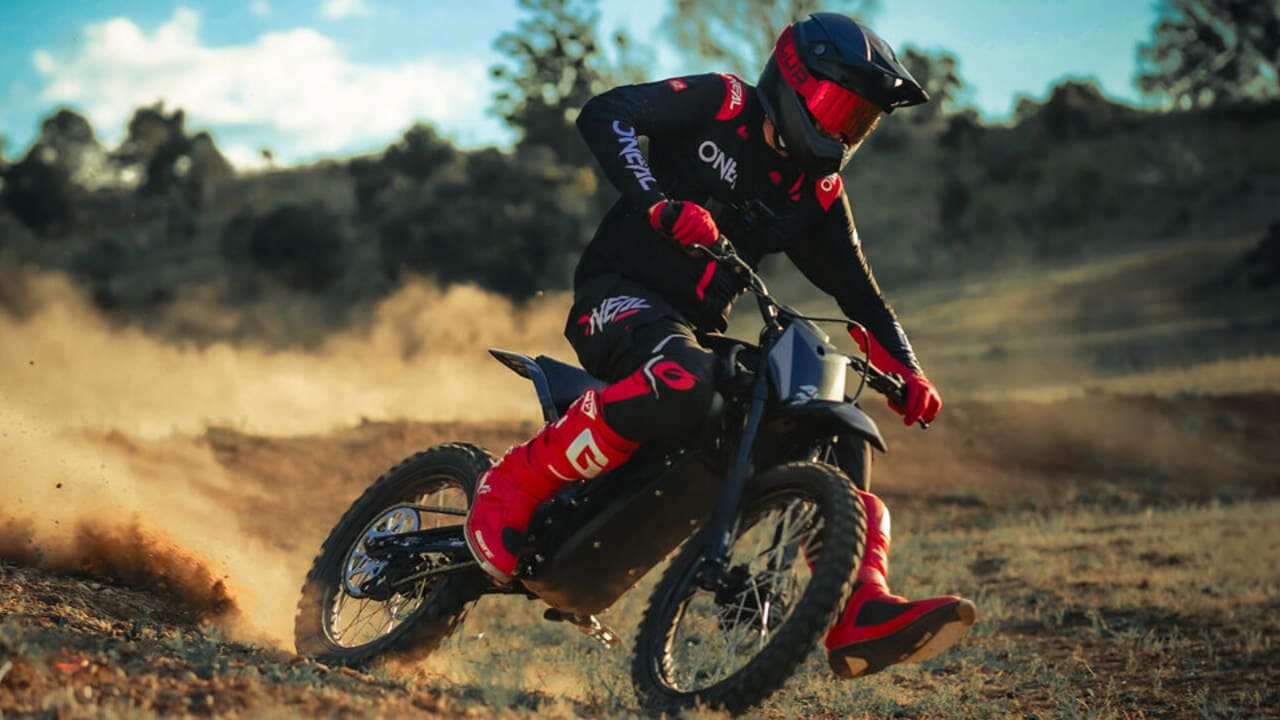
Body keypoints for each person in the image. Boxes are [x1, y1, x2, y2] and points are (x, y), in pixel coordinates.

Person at [465, 12, 975, 678]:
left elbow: (864, 298)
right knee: (683, 376)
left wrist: (908, 370)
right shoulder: (723, 102)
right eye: (836, 104)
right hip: (616, 296)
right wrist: (654, 202)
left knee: (833, 424)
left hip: (693, 329)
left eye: (858, 120)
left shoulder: (816, 194)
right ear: (790, 79)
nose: (842, 128)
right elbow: (605, 114)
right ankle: (510, 485)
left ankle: (858, 603)